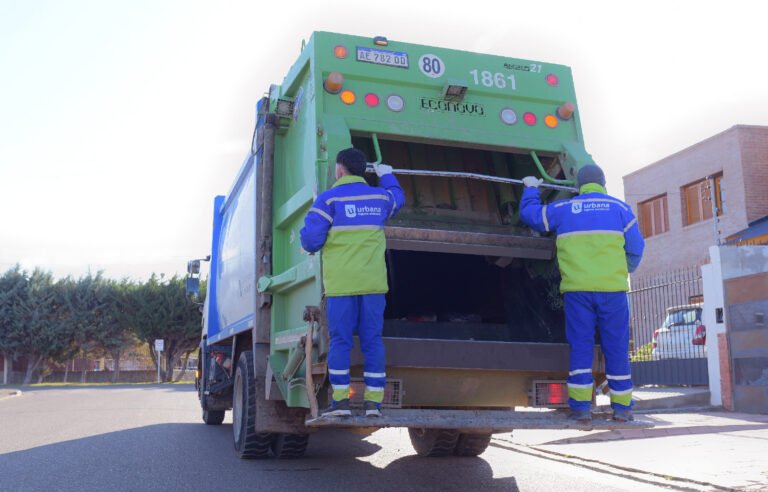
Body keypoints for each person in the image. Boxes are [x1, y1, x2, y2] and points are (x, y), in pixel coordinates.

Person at [519, 164, 644, 422]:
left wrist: (531, 189)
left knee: (581, 347)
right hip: (613, 292)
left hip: (578, 293)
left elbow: (532, 216)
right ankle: (622, 409)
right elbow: (636, 247)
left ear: (578, 186)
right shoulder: (620, 209)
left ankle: (581, 408)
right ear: (603, 183)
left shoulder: (565, 209)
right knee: (617, 349)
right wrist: (622, 269)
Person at [300, 147, 405, 418]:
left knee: (341, 342)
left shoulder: (329, 200)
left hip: (342, 287)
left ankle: (340, 403)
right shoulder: (380, 197)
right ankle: (374, 404)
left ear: (339, 169)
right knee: (372, 341)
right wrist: (388, 176)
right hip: (373, 286)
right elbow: (398, 197)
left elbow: (310, 241)